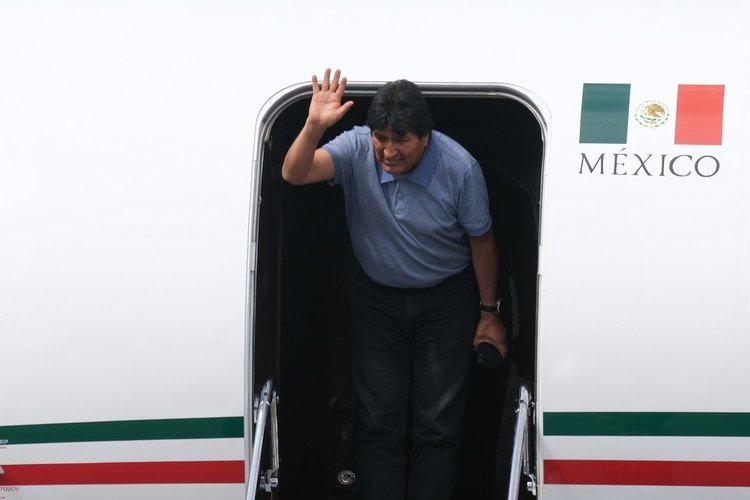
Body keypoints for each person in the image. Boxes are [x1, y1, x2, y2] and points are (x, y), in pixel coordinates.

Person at [281, 68, 507, 500]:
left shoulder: (460, 168)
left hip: (445, 302)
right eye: (381, 138)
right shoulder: (355, 149)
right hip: (377, 301)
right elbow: (295, 173)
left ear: (426, 137)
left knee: (437, 426)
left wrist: (488, 314)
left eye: (400, 140)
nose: (388, 151)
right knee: (378, 421)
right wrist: (314, 124)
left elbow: (483, 241)